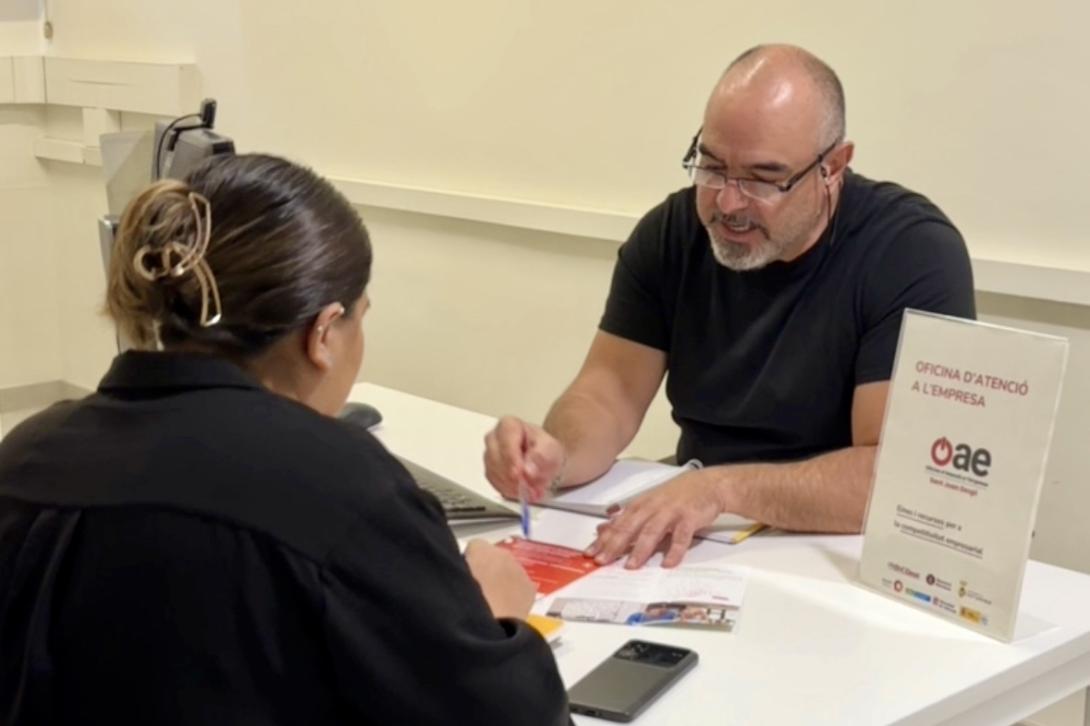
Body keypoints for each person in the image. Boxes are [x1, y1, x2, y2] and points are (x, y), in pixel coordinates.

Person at [0, 154, 570, 725]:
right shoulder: (343, 486)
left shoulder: (25, 453)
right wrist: (490, 622)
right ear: (323, 333)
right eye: (359, 319)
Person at [483, 44, 975, 570]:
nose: (728, 203)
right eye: (713, 167)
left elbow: (899, 475)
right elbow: (609, 393)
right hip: (704, 538)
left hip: (840, 554)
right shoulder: (673, 232)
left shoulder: (910, 254)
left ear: (833, 166)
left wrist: (720, 489)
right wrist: (556, 457)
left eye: (763, 178)